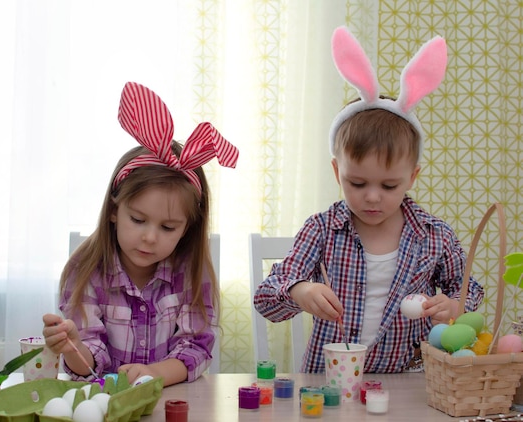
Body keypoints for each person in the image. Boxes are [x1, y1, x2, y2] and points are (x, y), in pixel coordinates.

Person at [253, 26, 484, 373]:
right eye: (357, 183)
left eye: (390, 186)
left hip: (409, 381)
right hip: (330, 382)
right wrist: (299, 290)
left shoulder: (434, 235)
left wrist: (454, 306)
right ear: (337, 172)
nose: (372, 197)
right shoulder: (322, 229)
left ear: (412, 178)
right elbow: (266, 299)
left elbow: (470, 291)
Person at [42, 81, 239, 386]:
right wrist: (73, 348)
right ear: (113, 209)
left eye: (167, 227)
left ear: (188, 229)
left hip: (171, 402)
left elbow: (196, 348)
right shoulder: (85, 270)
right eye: (137, 219)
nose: (150, 237)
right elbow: (87, 365)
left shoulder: (190, 270)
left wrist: (155, 374)